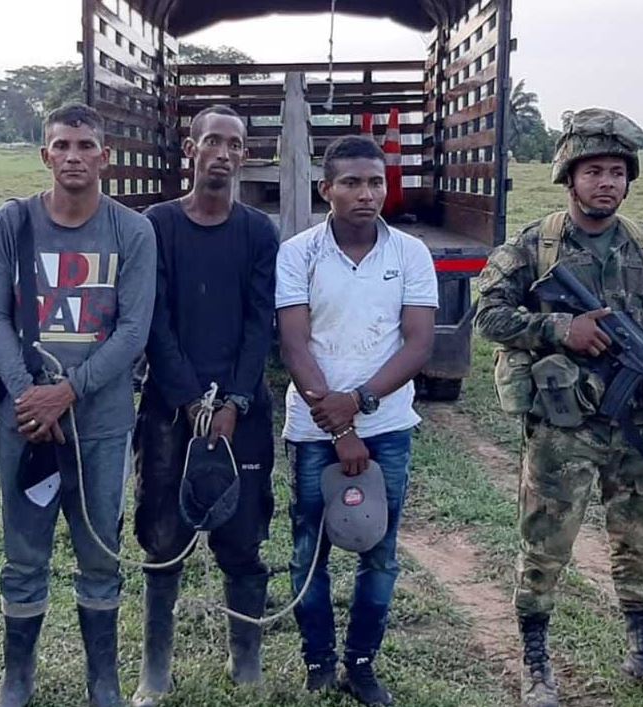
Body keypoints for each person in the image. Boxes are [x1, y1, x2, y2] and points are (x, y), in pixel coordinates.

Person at [474, 108, 643, 707]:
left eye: (618, 172)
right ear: (568, 176)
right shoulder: (533, 245)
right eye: (594, 171)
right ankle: (537, 666)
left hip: (638, 428)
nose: (607, 182)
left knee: (639, 543)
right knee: (545, 546)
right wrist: (560, 328)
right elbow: (489, 316)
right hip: (563, 427)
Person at [0, 103, 156, 707]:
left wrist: (69, 390)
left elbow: (134, 331)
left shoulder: (132, 231)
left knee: (99, 552)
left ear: (105, 156)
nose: (74, 157)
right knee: (23, 551)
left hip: (102, 423)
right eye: (62, 146)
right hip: (26, 422)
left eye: (86, 146)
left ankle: (102, 680)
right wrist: (27, 394)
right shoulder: (14, 223)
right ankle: (17, 679)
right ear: (45, 155)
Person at [276, 135, 437, 705]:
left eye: (375, 182)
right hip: (314, 428)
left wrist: (363, 402)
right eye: (351, 182)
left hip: (388, 426)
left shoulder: (410, 254)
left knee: (379, 550)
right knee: (308, 551)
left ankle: (361, 665)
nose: (366, 194)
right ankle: (318, 662)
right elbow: (294, 346)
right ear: (327, 190)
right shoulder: (298, 252)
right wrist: (341, 428)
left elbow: (418, 344)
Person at [130, 105, 279, 706]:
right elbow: (153, 320)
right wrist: (190, 399)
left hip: (242, 414)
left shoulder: (258, 232)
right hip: (170, 410)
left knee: (243, 537)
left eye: (234, 143)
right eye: (211, 141)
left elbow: (258, 324)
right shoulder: (157, 225)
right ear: (190, 150)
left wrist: (237, 400)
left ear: (245, 156)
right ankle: (155, 670)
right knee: (162, 538)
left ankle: (246, 662)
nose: (222, 152)